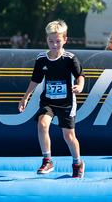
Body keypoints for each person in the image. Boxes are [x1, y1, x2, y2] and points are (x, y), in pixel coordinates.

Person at [18, 20, 86, 178]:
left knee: (68, 136)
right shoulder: (41, 58)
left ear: (65, 40)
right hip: (48, 101)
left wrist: (80, 85)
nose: (54, 44)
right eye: (51, 41)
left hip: (67, 102)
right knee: (42, 124)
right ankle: (47, 160)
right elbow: (35, 79)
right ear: (46, 39)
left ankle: (77, 162)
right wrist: (25, 97)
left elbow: (80, 75)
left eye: (58, 41)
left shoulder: (70, 58)